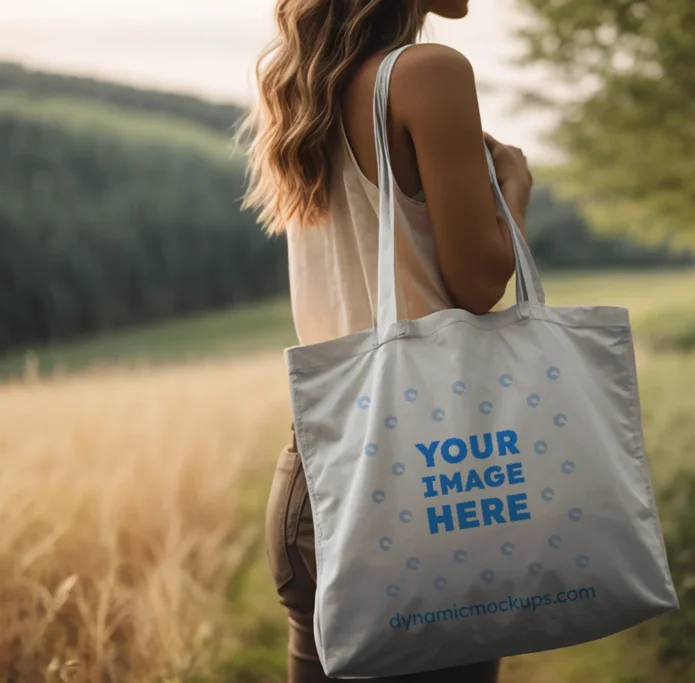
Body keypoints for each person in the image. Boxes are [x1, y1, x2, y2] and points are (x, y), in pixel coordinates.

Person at [239, 1, 534, 680]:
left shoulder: (300, 83)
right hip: (431, 475)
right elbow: (479, 282)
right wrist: (512, 191)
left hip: (316, 479)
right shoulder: (428, 73)